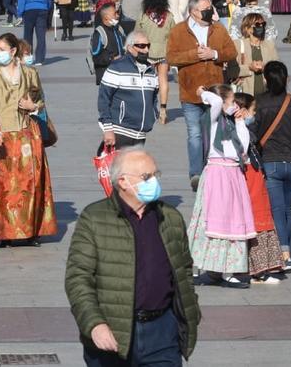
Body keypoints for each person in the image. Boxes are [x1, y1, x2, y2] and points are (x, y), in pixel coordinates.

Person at [64, 147, 201, 366]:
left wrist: (190, 313)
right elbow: (78, 279)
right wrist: (94, 324)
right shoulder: (94, 218)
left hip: (162, 332)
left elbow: (183, 269)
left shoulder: (170, 217)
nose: (154, 181)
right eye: (147, 177)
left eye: (156, 175)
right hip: (112, 334)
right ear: (123, 182)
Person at [0, 33, 58, 243]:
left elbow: (40, 98)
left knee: (29, 182)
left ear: (13, 51)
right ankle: (4, 231)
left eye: (1, 49)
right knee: (3, 183)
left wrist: (33, 107)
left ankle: (30, 229)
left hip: (27, 133)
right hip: (3, 134)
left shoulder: (30, 73)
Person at [250, 62, 291, 273]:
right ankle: (285, 248)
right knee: (287, 209)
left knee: (276, 210)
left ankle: (284, 253)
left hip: (271, 163)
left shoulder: (259, 103)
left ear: (265, 80)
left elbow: (252, 135)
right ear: (287, 78)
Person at [167, 0, 237, 192]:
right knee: (195, 134)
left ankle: (211, 169)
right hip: (190, 92)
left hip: (215, 92)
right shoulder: (179, 30)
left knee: (212, 132)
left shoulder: (218, 28)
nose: (209, 10)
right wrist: (194, 55)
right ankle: (196, 173)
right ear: (193, 12)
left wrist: (214, 54)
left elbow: (231, 52)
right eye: (205, 8)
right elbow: (171, 57)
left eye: (210, 7)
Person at [188, 86, 255, 289]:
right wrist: (202, 93)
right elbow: (216, 102)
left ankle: (228, 270)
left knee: (233, 220)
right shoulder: (212, 119)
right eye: (232, 100)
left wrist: (241, 121)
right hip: (217, 172)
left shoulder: (232, 123)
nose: (235, 105)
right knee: (211, 220)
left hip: (233, 173)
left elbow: (242, 148)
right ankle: (195, 268)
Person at [97, 31, 161, 148]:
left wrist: (153, 114)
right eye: (141, 46)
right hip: (120, 131)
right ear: (130, 47)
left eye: (148, 46)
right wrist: (108, 129)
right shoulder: (117, 68)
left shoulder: (151, 70)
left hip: (141, 134)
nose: (146, 50)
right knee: (118, 166)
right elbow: (103, 99)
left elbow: (154, 96)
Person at [235, 13, 280, 95]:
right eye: (257, 24)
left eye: (263, 24)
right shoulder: (238, 45)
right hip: (245, 94)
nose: (261, 27)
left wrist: (265, 67)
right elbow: (232, 70)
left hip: (266, 94)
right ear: (247, 29)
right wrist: (249, 68)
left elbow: (277, 69)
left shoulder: (270, 45)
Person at [89, 3, 127, 85]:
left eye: (117, 13)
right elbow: (96, 57)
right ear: (106, 18)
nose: (117, 16)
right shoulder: (99, 33)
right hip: (106, 76)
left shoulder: (118, 29)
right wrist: (111, 59)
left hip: (120, 73)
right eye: (114, 14)